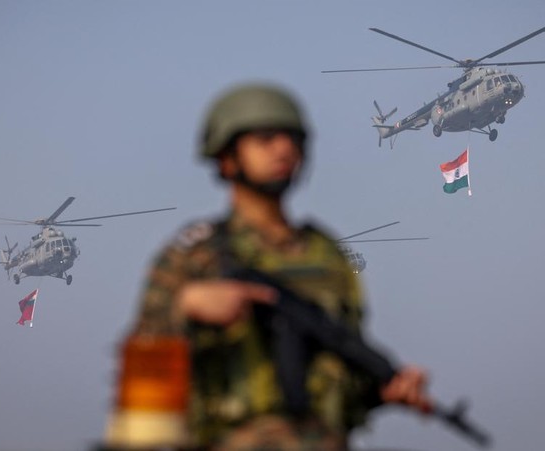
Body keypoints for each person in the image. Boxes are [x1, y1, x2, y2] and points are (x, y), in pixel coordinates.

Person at [129, 82, 432, 450]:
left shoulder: (327, 254)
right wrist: (185, 305)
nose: (285, 148)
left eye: (293, 139)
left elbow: (339, 377)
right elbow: (144, 374)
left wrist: (382, 391)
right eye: (266, 138)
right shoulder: (196, 254)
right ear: (227, 156)